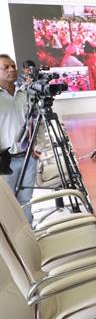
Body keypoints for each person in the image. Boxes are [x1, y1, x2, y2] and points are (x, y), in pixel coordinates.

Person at [0, 54, 38, 224]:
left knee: (26, 200)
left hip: (29, 155)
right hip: (5, 161)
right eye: (6, 67)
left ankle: (30, 236)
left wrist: (39, 146)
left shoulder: (25, 93)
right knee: (8, 205)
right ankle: (15, 245)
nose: (12, 70)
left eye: (13, 66)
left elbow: (37, 121)